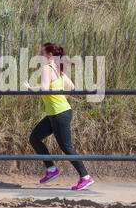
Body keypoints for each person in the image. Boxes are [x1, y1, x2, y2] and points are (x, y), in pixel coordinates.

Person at [22, 42, 94, 190]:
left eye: (42, 53)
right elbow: (72, 86)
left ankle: (85, 176)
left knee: (66, 147)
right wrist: (61, 98)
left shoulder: (47, 68)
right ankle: (51, 169)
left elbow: (43, 88)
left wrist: (29, 88)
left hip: (59, 114)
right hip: (56, 113)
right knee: (34, 138)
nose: (40, 56)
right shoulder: (59, 68)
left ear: (49, 55)